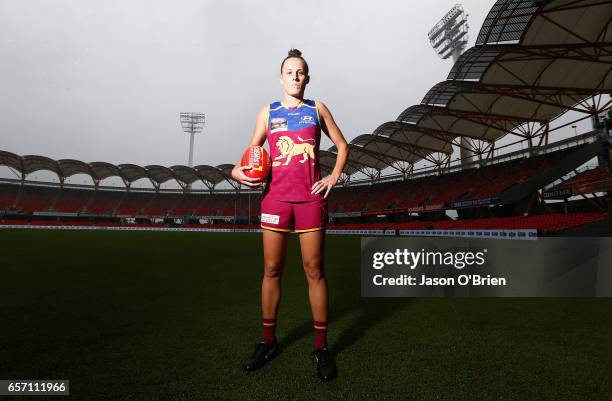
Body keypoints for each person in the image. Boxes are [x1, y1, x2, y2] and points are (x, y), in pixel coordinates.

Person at [231, 48, 349, 381]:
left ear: (307, 78)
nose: (295, 77)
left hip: (310, 201)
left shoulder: (317, 109)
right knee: (271, 269)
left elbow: (342, 145)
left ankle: (322, 347)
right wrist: (239, 173)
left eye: (300, 72)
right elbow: (248, 156)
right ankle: (268, 342)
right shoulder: (268, 112)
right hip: (275, 201)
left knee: (314, 270)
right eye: (289, 72)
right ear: (281, 77)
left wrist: (333, 177)